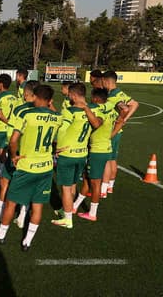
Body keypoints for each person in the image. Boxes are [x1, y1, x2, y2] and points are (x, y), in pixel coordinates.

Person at [0, 85, 62, 251]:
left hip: (27, 165)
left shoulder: (25, 113)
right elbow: (56, 139)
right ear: (50, 101)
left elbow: (13, 140)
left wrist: (13, 156)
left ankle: (1, 235)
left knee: (11, 202)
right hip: (46, 167)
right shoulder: (57, 117)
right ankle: (27, 241)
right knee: (37, 205)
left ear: (34, 96)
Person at [0, 80, 40, 228]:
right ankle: (22, 216)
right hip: (36, 156)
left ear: (27, 94)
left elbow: (12, 136)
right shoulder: (47, 112)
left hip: (18, 153)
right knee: (29, 186)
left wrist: (10, 154)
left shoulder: (20, 110)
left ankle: (1, 213)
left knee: (4, 181)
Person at [51, 83, 103, 229]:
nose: (68, 97)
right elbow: (97, 123)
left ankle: (67, 219)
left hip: (68, 154)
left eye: (69, 95)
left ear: (73, 95)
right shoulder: (94, 109)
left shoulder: (70, 111)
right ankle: (67, 210)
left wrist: (58, 147)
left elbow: (62, 131)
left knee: (66, 188)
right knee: (73, 184)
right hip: (82, 153)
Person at [73, 88, 126, 222]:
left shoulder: (100, 111)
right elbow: (123, 113)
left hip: (97, 151)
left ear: (96, 99)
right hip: (105, 148)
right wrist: (111, 135)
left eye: (92, 97)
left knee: (95, 183)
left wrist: (85, 108)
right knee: (86, 178)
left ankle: (92, 213)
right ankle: (75, 206)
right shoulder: (109, 108)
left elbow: (97, 123)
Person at [101, 71, 138, 196]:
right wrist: (125, 120)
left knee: (108, 159)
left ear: (106, 81)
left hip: (113, 131)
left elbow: (125, 108)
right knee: (113, 159)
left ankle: (104, 188)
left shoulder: (113, 96)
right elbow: (135, 104)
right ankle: (110, 186)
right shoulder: (119, 92)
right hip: (119, 130)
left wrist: (122, 119)